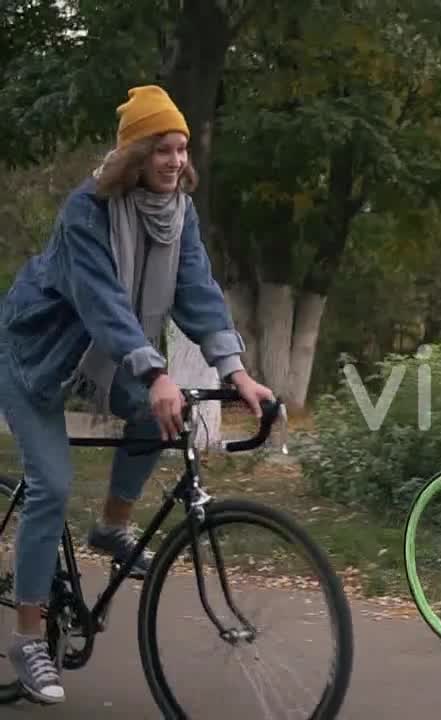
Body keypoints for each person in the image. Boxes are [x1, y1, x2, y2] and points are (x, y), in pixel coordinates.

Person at [0, 85, 274, 704]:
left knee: (166, 419)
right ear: (135, 155)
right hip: (36, 356)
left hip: (106, 358)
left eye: (182, 149)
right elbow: (102, 304)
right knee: (51, 485)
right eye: (163, 150)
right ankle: (27, 637)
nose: (176, 162)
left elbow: (198, 291)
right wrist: (154, 373)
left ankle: (111, 526)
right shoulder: (86, 210)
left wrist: (237, 373)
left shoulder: (178, 213)